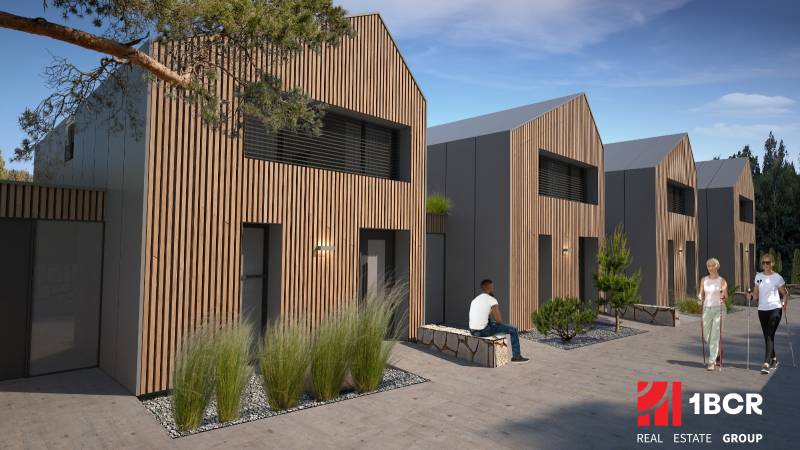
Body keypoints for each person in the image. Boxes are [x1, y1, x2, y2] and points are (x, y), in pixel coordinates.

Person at [469, 279, 529, 363]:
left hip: (473, 331)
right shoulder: (492, 300)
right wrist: (499, 324)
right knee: (513, 329)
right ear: (489, 287)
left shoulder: (475, 300)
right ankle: (516, 356)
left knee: (493, 324)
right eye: (492, 286)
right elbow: (499, 320)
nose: (493, 288)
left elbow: (481, 316)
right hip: (483, 331)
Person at [751, 253, 789, 374]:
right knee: (768, 335)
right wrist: (751, 296)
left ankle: (766, 363)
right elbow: (756, 293)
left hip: (775, 308)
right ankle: (774, 359)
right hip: (762, 309)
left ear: (772, 263)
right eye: (763, 262)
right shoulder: (758, 277)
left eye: (768, 262)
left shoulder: (777, 277)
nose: (766, 265)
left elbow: (785, 293)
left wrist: (784, 304)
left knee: (769, 334)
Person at [697, 258, 727, 371]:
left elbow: (726, 295)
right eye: (708, 266)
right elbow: (701, 293)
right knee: (706, 335)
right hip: (706, 309)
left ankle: (712, 361)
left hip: (719, 309)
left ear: (716, 266)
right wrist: (699, 297)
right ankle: (718, 351)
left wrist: (722, 296)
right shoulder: (704, 280)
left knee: (715, 335)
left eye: (712, 265)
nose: (710, 268)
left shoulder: (722, 280)